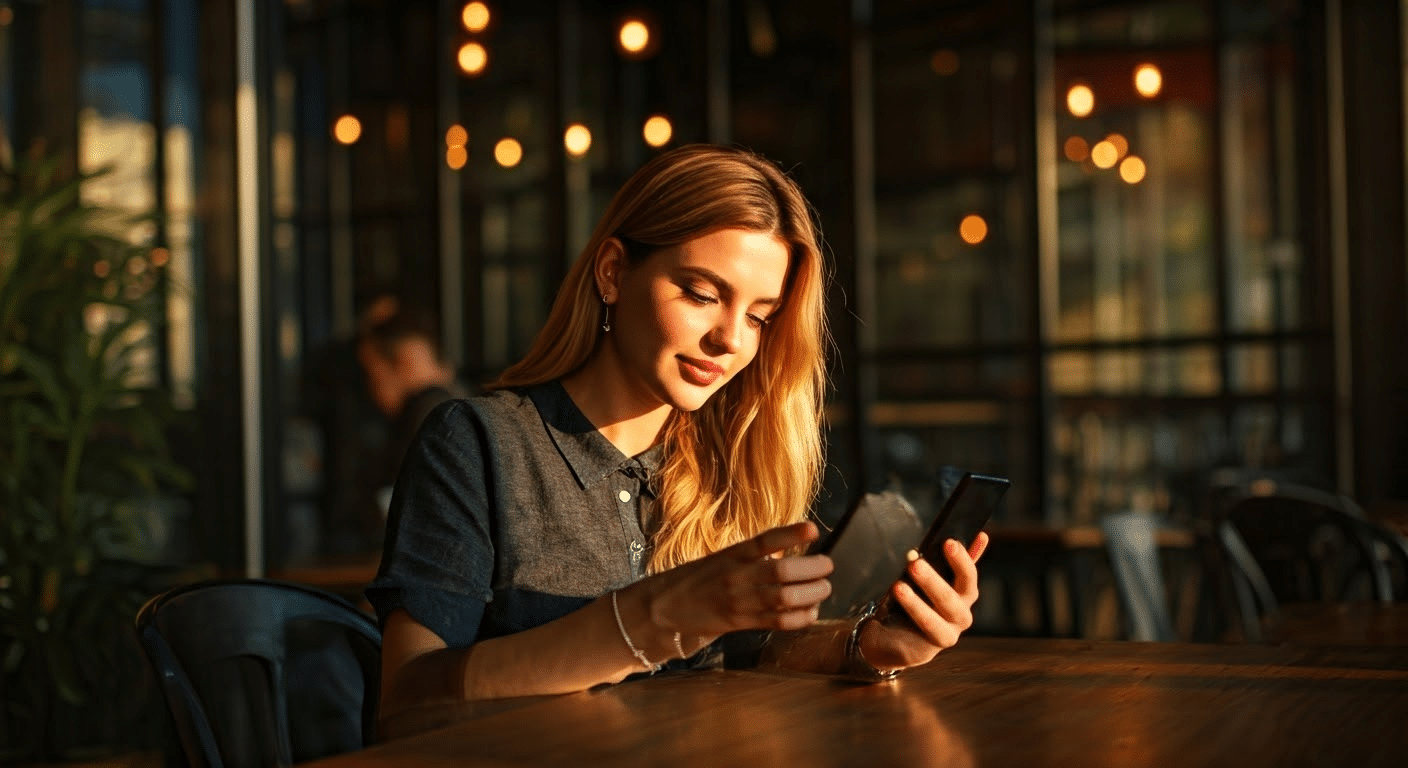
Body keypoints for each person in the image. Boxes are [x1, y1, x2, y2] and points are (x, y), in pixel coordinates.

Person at [367, 144, 989, 725]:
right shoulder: (480, 445)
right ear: (612, 273)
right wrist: (655, 617)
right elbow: (407, 702)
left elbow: (751, 659)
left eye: (758, 317)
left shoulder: (731, 463)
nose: (731, 340)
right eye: (699, 294)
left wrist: (866, 646)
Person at [355, 306, 469, 506]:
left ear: (404, 361)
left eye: (372, 377)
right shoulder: (457, 404)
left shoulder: (429, 414)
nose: (371, 391)